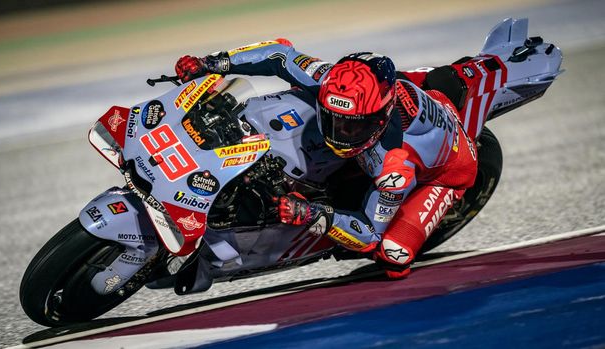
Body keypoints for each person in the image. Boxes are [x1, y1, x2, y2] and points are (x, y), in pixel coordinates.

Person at [175, 39, 478, 278]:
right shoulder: (332, 79)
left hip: (450, 170)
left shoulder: (393, 168)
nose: (341, 133)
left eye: (354, 125)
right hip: (404, 86)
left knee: (393, 256)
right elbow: (279, 55)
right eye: (334, 120)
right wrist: (211, 63)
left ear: (380, 118)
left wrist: (312, 215)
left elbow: (371, 234)